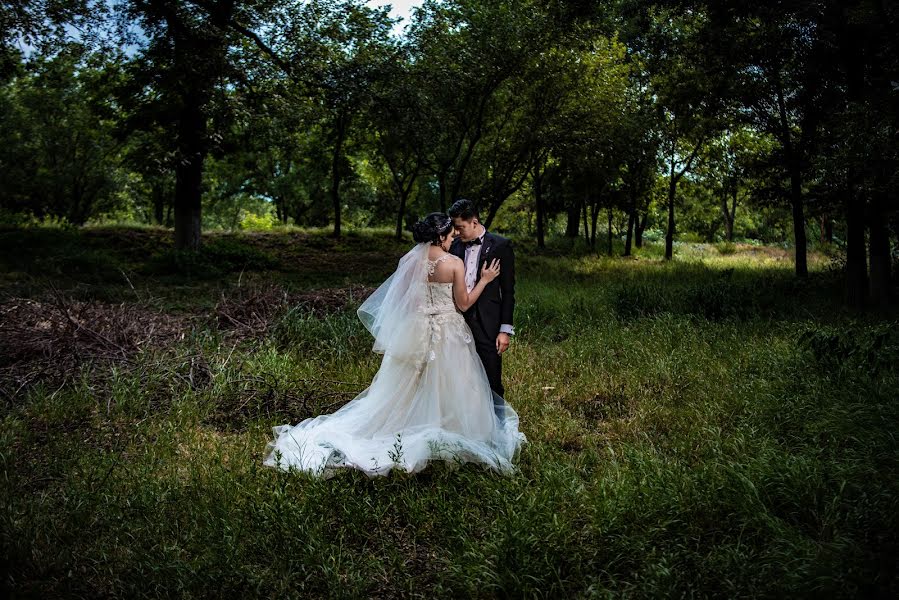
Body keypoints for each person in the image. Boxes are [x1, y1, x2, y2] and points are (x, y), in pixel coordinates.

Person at [262, 213, 526, 478]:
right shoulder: (453, 263)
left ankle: (403, 426)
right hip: (448, 330)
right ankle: (451, 431)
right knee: (452, 381)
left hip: (417, 329)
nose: (453, 238)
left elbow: (404, 302)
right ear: (440, 236)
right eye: (449, 234)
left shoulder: (409, 261)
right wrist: (485, 280)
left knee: (409, 382)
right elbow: (465, 304)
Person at [448, 199, 515, 417]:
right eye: (454, 228)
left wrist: (505, 330)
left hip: (488, 323)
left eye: (460, 227)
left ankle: (499, 427)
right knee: (459, 378)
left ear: (474, 222)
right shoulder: (455, 246)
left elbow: (508, 291)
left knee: (492, 378)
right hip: (457, 321)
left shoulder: (501, 246)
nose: (456, 233)